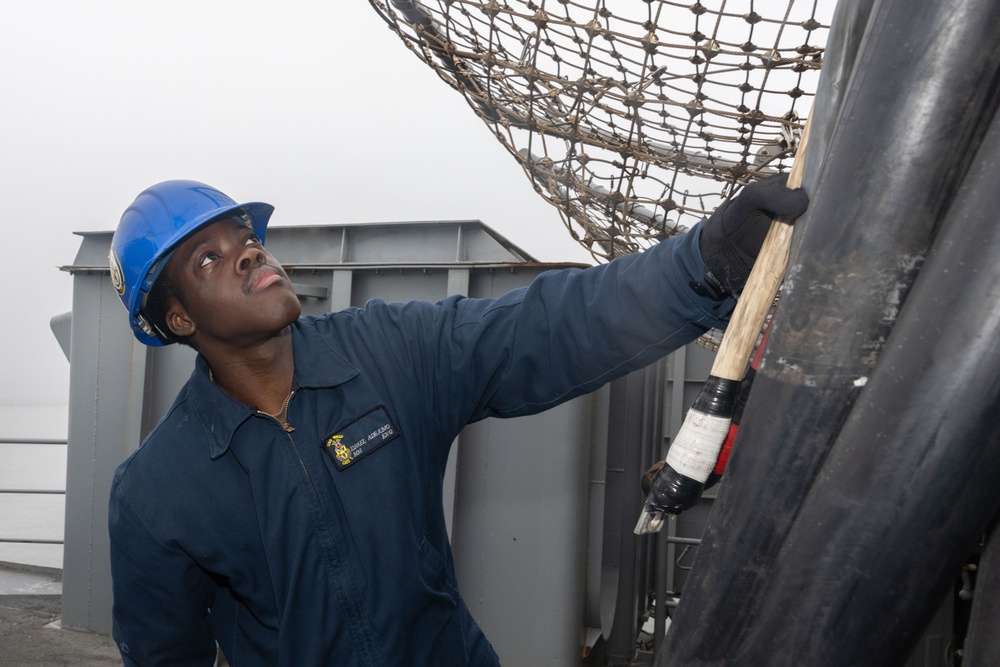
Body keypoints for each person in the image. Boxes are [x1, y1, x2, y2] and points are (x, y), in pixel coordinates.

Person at [107, 176, 807, 666]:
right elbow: (167, 655)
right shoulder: (157, 492)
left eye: (246, 238)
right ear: (178, 318)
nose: (250, 252)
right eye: (211, 258)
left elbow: (543, 328)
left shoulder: (386, 354)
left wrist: (702, 264)